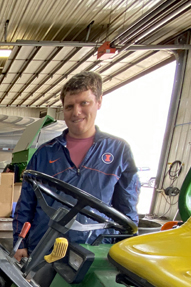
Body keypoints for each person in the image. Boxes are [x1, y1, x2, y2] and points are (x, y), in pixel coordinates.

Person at [13, 71, 139, 261]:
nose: (76, 112)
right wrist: (19, 242)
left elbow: (126, 207)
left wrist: (129, 248)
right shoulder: (45, 153)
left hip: (93, 250)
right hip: (44, 249)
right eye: (69, 106)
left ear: (99, 102)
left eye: (84, 103)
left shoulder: (118, 151)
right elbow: (26, 203)